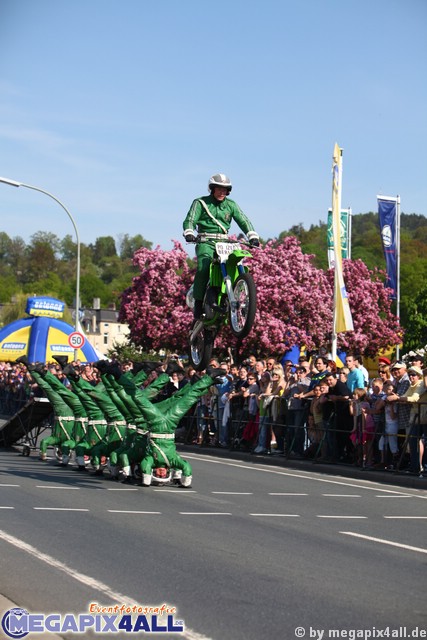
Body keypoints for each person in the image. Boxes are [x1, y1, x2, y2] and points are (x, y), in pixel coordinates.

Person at [183, 173, 260, 320]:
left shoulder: (231, 205)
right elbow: (190, 220)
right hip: (206, 241)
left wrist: (252, 235)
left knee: (237, 261)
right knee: (203, 267)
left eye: (225, 189)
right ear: (212, 189)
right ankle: (198, 303)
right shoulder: (200, 203)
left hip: (225, 242)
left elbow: (243, 220)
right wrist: (189, 232)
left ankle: (236, 292)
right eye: (219, 189)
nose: (222, 192)